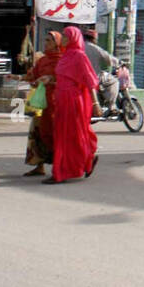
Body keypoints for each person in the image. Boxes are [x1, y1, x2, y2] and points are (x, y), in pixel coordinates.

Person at [49, 26, 99, 184]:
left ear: (73, 38)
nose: (63, 38)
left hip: (73, 101)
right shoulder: (65, 56)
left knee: (71, 136)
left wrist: (96, 103)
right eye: (63, 35)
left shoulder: (79, 56)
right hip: (61, 99)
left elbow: (90, 81)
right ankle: (84, 161)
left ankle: (61, 171)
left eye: (66, 35)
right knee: (63, 135)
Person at [22, 29, 62, 177]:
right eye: (45, 40)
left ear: (56, 43)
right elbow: (33, 76)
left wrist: (51, 80)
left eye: (49, 41)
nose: (46, 43)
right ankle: (38, 165)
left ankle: (58, 167)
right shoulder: (43, 60)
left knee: (54, 134)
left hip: (56, 103)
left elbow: (64, 81)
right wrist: (22, 78)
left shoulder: (62, 60)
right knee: (37, 133)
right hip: (41, 103)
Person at [82, 27, 119, 110]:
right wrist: (118, 62)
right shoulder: (95, 48)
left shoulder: (78, 47)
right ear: (94, 39)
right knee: (114, 81)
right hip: (93, 77)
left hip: (80, 78)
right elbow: (108, 59)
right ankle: (111, 106)